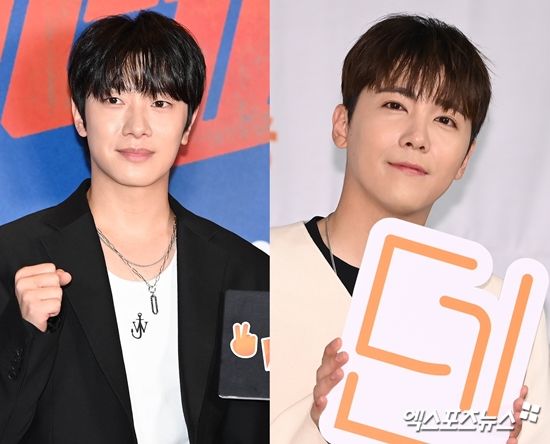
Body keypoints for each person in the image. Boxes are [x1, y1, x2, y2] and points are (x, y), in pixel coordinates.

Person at [270, 14, 549, 443]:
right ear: (343, 124)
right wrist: (319, 418)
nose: (417, 137)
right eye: (395, 106)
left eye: (446, 120)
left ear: (465, 160)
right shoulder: (260, 269)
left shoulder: (502, 315)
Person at [0, 11, 268, 444]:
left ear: (189, 123)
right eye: (113, 99)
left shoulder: (245, 272)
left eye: (160, 103)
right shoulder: (14, 257)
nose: (137, 127)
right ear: (80, 115)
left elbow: (251, 426)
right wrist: (22, 330)